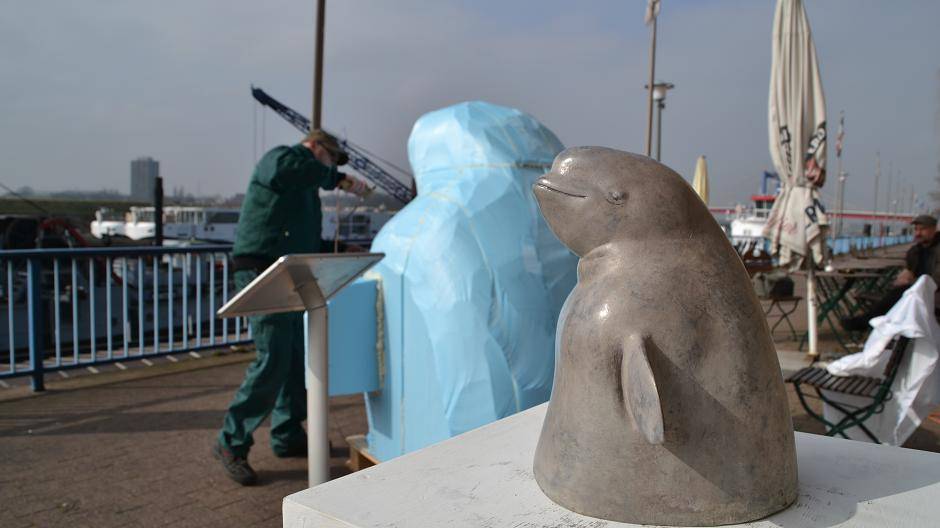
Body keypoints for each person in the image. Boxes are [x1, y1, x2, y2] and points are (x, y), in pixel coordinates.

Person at [213, 129, 369, 485]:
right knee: (273, 357)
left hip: (289, 272)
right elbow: (287, 170)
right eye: (329, 158)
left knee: (296, 356)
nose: (330, 168)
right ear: (314, 147)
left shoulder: (304, 188)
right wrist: (338, 179)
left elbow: (307, 238)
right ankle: (230, 442)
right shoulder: (283, 159)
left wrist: (342, 250)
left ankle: (287, 433)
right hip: (261, 268)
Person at [842, 214, 940, 331]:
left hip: (933, 293)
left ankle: (866, 322)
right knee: (896, 294)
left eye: (922, 230)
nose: (918, 233)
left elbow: (936, 279)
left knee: (897, 296)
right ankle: (871, 323)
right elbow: (909, 269)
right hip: (917, 291)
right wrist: (904, 276)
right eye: (916, 229)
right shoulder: (915, 251)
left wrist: (911, 282)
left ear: (934, 229)